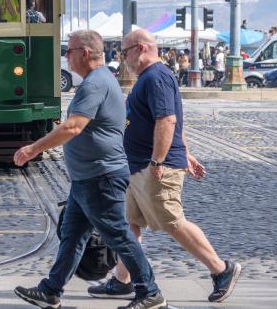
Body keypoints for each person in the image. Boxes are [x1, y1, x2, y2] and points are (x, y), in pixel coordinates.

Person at [13, 29, 164, 309]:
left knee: (118, 235)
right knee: (72, 235)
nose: (66, 58)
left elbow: (73, 126)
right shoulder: (100, 79)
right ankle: (51, 290)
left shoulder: (95, 83)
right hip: (87, 178)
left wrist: (33, 148)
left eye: (68, 52)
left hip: (101, 176)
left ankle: (150, 291)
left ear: (83, 53)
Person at [110, 29, 241, 304]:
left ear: (142, 48)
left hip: (156, 165)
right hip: (140, 165)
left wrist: (159, 159)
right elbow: (171, 122)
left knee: (172, 221)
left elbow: (167, 120)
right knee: (131, 223)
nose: (123, 58)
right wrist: (188, 154)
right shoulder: (147, 78)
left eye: (125, 52)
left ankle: (221, 270)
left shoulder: (157, 77)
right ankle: (123, 279)